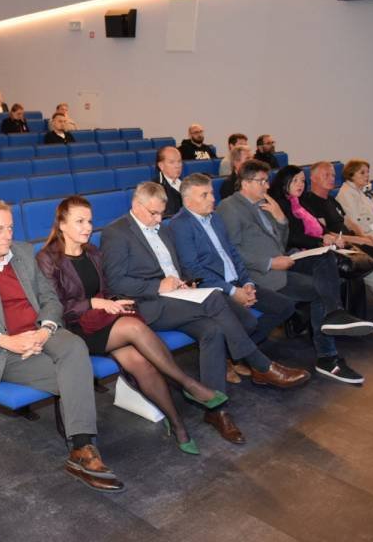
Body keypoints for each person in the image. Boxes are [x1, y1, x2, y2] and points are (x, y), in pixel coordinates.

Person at [101, 182, 310, 445]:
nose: (158, 220)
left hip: (179, 298)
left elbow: (176, 267)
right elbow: (116, 282)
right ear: (136, 205)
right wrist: (158, 286)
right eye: (153, 213)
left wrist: (185, 282)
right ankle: (260, 364)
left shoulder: (161, 228)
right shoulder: (116, 233)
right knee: (216, 299)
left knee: (213, 331)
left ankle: (216, 411)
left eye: (161, 214)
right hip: (149, 305)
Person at [0, 199, 125, 492]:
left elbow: (50, 299)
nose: (7, 236)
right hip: (1, 347)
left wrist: (45, 329)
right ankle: (83, 449)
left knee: (75, 347)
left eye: (10, 228)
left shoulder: (24, 252)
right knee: (75, 376)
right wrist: (7, 341)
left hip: (40, 331)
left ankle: (80, 449)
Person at [37, 195, 226, 455]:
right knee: (134, 328)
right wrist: (93, 303)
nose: (87, 227)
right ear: (61, 224)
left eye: (89, 221)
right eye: (79, 221)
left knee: (141, 363)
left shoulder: (92, 252)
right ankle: (188, 384)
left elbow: (107, 290)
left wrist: (115, 301)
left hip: (102, 322)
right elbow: (53, 307)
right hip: (73, 329)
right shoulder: (47, 259)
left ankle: (178, 425)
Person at [217, 160, 373, 385]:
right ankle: (328, 357)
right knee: (321, 291)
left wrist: (281, 219)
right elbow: (231, 250)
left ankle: (334, 315)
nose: (267, 185)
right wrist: (269, 263)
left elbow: (280, 242)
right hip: (259, 274)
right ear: (245, 183)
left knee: (326, 256)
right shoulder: (229, 207)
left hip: (281, 263)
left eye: (267, 180)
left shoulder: (264, 204)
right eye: (261, 181)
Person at [167, 173, 297, 383]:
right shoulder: (180, 225)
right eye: (205, 195)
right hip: (213, 289)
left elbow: (233, 254)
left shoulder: (215, 218)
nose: (212, 198)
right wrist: (232, 291)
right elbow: (193, 270)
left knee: (285, 306)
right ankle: (252, 363)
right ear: (188, 201)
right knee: (248, 322)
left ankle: (232, 355)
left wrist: (247, 282)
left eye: (211, 193)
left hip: (236, 281)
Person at [303, 161, 373, 330]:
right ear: (312, 178)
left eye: (333, 175)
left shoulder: (331, 200)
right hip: (341, 251)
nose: (331, 178)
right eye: (326, 175)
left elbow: (347, 221)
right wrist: (360, 240)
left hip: (357, 246)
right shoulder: (309, 202)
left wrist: (363, 236)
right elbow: (325, 234)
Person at [152, 146, 183, 217]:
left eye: (179, 161)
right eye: (172, 162)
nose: (177, 166)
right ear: (161, 166)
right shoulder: (155, 188)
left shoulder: (187, 183)